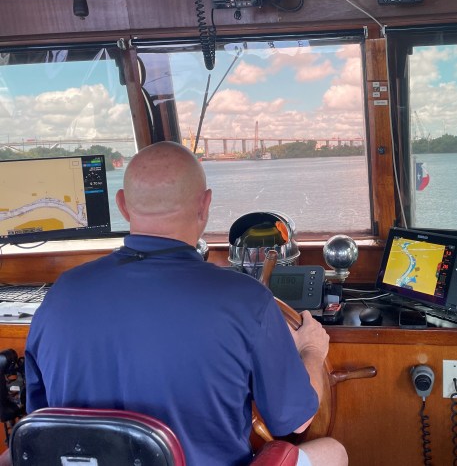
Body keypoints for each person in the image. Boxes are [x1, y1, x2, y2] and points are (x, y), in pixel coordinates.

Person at [18, 141, 348, 466]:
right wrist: (311, 352)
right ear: (205, 205)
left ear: (122, 205)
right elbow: (295, 422)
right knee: (333, 450)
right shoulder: (247, 301)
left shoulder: (62, 293)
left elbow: (42, 419)